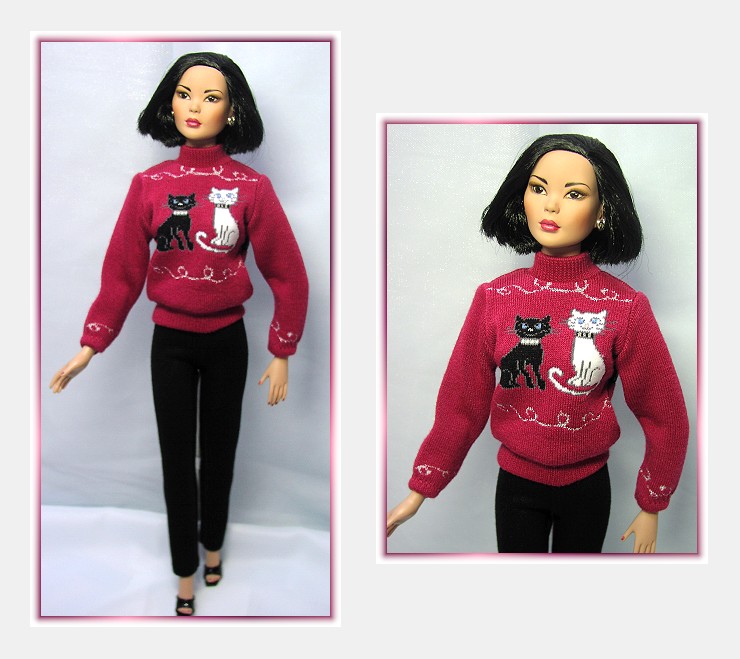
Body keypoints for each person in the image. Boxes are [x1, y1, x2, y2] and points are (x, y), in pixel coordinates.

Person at [49, 52, 309, 614]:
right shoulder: (150, 185)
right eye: (185, 94)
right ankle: (184, 573)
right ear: (169, 103)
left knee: (219, 454)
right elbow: (122, 272)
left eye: (211, 97)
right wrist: (91, 343)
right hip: (168, 342)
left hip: (227, 342)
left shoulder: (251, 187)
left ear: (232, 110)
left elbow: (287, 272)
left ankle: (213, 547)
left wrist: (282, 349)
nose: (195, 107)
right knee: (176, 460)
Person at [386, 133, 688, 553]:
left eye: (574, 193)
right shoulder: (496, 298)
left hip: (587, 488)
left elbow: (664, 413)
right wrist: (421, 488)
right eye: (539, 188)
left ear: (602, 211)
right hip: (516, 486)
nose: (551, 205)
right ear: (522, 197)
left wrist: (651, 503)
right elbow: (461, 404)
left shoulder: (624, 306)